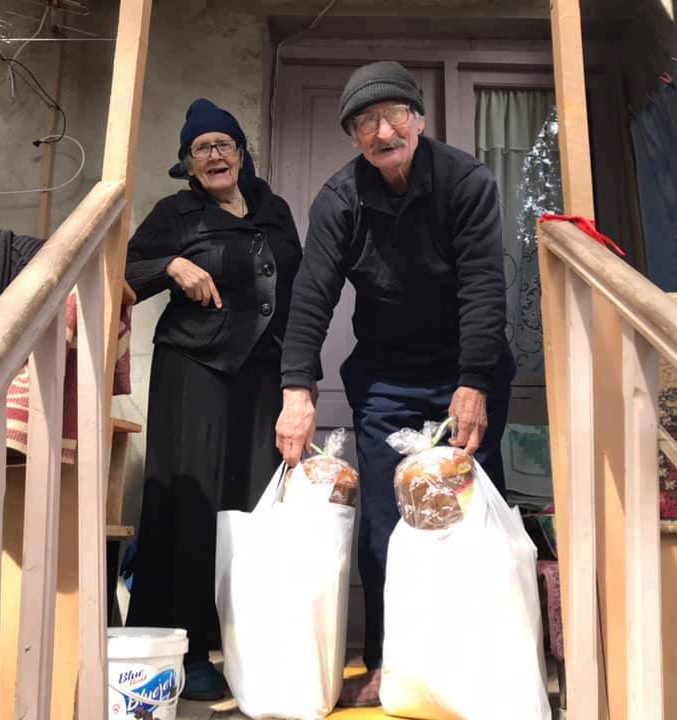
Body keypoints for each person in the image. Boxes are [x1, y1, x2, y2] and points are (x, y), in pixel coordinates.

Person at [275, 62, 516, 707]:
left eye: (395, 116)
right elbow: (312, 296)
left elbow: (484, 284)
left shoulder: (465, 181)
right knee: (387, 525)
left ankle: (477, 657)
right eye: (366, 123)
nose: (384, 132)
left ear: (419, 119)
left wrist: (473, 380)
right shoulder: (340, 200)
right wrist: (297, 391)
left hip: (466, 370)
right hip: (386, 378)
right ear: (353, 137)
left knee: (469, 521)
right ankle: (391, 660)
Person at [125, 98, 304, 701]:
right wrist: (172, 265)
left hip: (263, 375)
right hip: (193, 370)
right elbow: (120, 271)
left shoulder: (274, 210)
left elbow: (298, 288)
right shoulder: (174, 214)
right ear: (188, 164)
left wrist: (300, 376)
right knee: (191, 502)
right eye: (200, 149)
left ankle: (246, 644)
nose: (214, 155)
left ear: (242, 153)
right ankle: (188, 644)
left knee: (252, 505)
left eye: (223, 143)